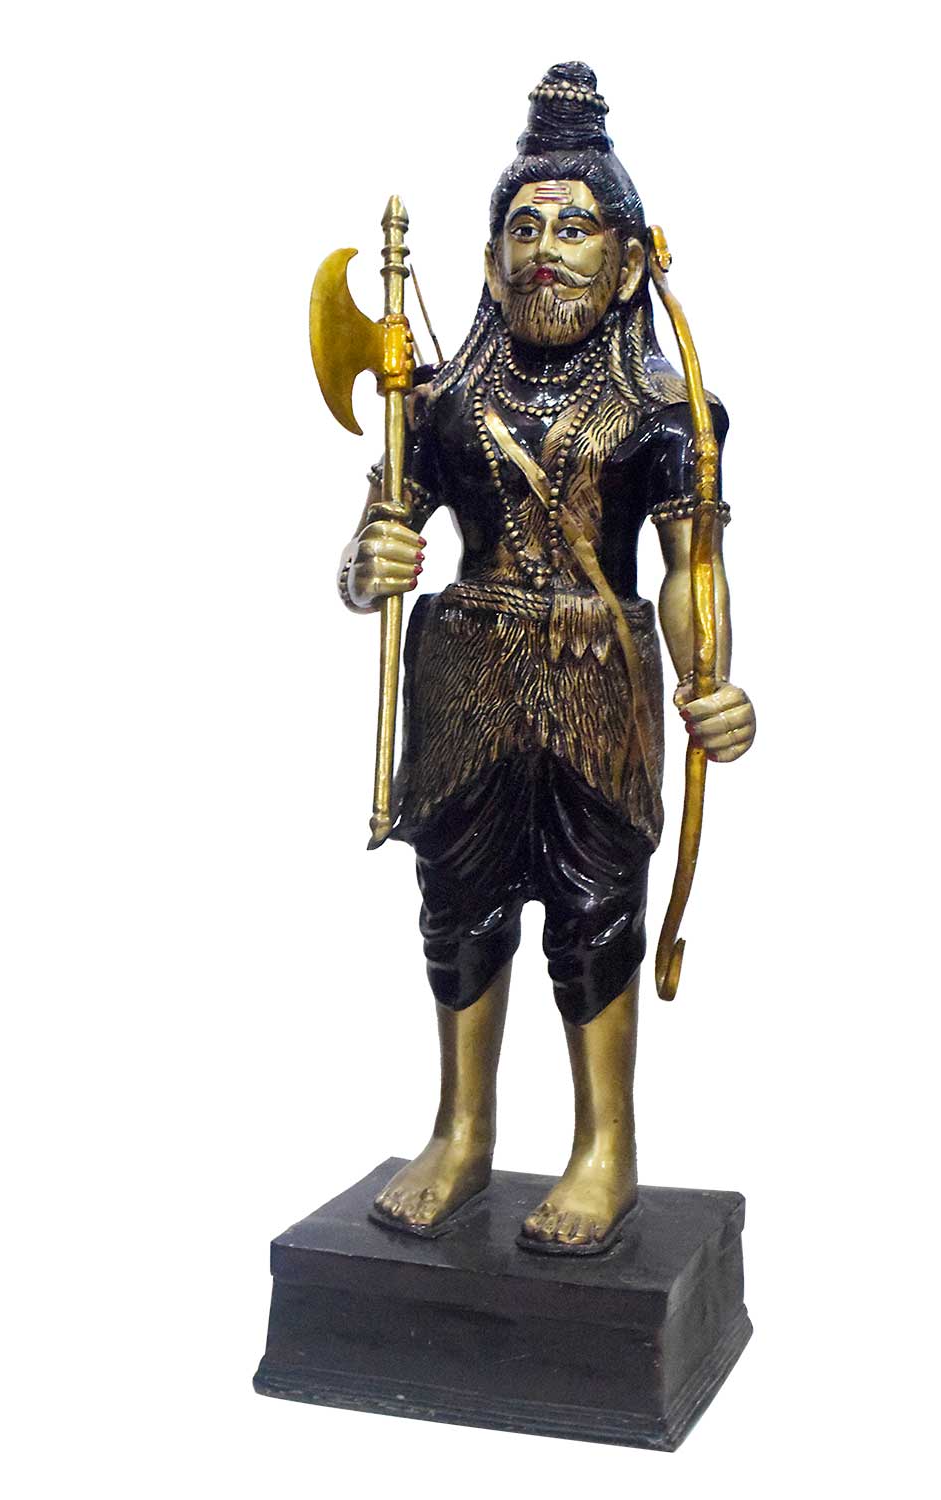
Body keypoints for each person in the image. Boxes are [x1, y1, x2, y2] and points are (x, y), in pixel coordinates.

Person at [336, 62, 756, 1254]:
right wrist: (369, 563)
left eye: (574, 230)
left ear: (626, 265)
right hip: (464, 672)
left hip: (596, 680)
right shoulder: (439, 403)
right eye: (524, 229)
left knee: (593, 905)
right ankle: (462, 1131)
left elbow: (691, 567)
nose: (545, 253)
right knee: (458, 901)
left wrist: (711, 682)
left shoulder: (668, 413)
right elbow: (377, 540)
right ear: (488, 260)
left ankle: (604, 1149)